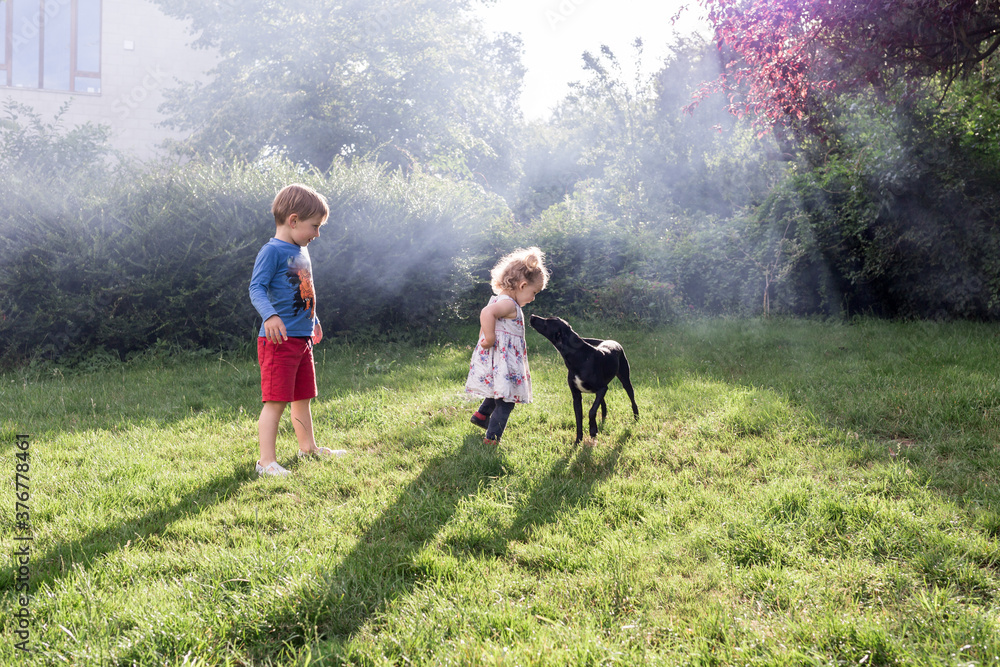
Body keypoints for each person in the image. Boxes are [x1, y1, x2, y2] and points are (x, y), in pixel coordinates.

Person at [249, 183, 346, 477]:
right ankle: (265, 462)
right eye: (314, 226)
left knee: (303, 397)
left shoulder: (300, 250)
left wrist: (312, 320)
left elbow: (304, 290)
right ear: (293, 221)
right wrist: (270, 317)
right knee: (275, 401)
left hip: (302, 339)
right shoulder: (272, 251)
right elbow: (256, 289)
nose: (317, 234)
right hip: (278, 341)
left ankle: (308, 448)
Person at [465, 247, 550, 445]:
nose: (533, 298)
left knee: (500, 390)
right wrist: (490, 338)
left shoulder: (499, 300)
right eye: (534, 292)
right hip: (504, 361)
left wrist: (484, 339)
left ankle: (482, 416)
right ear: (522, 285)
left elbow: (488, 315)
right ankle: (492, 439)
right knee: (507, 401)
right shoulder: (509, 305)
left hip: (500, 360)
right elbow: (487, 314)